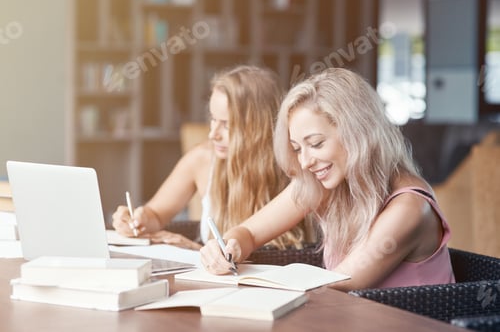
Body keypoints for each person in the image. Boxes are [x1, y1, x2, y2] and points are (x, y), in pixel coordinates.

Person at [200, 67, 455, 291]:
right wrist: (227, 246)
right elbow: (248, 232)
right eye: (297, 148)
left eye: (316, 144)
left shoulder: (410, 207)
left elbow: (339, 284)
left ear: (359, 133)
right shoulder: (323, 182)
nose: (305, 162)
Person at [112, 65, 307, 250]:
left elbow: (285, 259)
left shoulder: (297, 167)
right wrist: (138, 220)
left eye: (227, 124)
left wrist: (194, 250)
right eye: (213, 119)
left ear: (260, 127)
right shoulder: (201, 159)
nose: (213, 134)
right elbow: (155, 214)